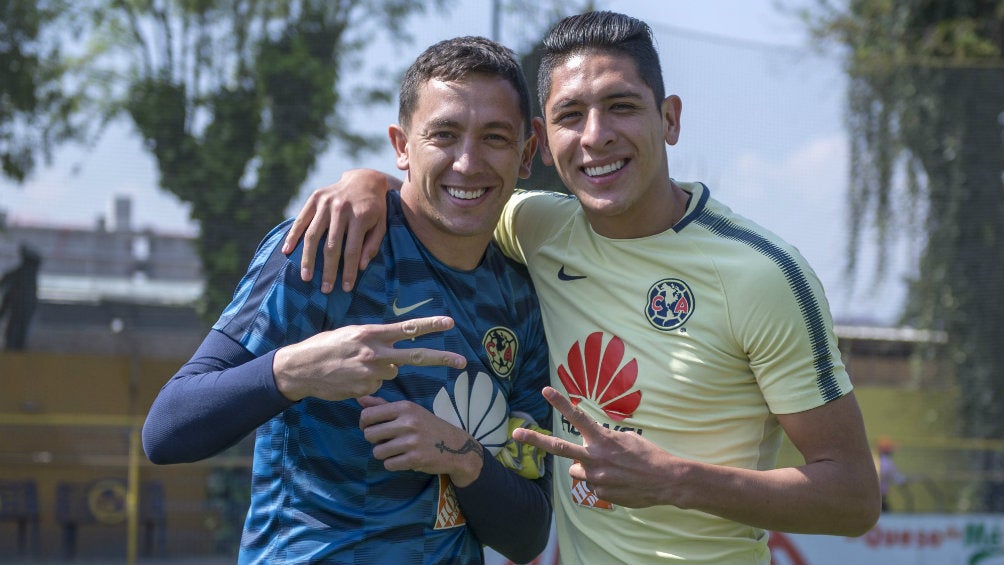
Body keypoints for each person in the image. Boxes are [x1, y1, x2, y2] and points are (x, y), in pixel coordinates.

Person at [285, 11, 881, 564]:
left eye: (621, 106)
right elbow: (449, 189)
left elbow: (854, 497)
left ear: (669, 118)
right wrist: (369, 183)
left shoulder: (762, 274)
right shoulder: (536, 226)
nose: (596, 136)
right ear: (542, 143)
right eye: (572, 115)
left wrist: (676, 479)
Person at [142, 36, 554, 565]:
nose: (467, 162)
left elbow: (527, 535)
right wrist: (294, 371)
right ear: (402, 146)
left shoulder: (521, 296)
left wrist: (462, 456)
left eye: (494, 137)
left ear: (525, 152)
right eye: (444, 135)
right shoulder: (333, 243)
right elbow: (167, 428)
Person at [0, 244, 42, 351]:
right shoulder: (22, 272)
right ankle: (13, 349)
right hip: (18, 305)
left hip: (23, 306)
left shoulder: (28, 271)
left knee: (18, 330)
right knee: (15, 329)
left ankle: (16, 349)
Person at [877, 436, 907, 512]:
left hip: (876, 496)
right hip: (879, 496)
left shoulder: (878, 460)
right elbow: (898, 479)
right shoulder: (887, 462)